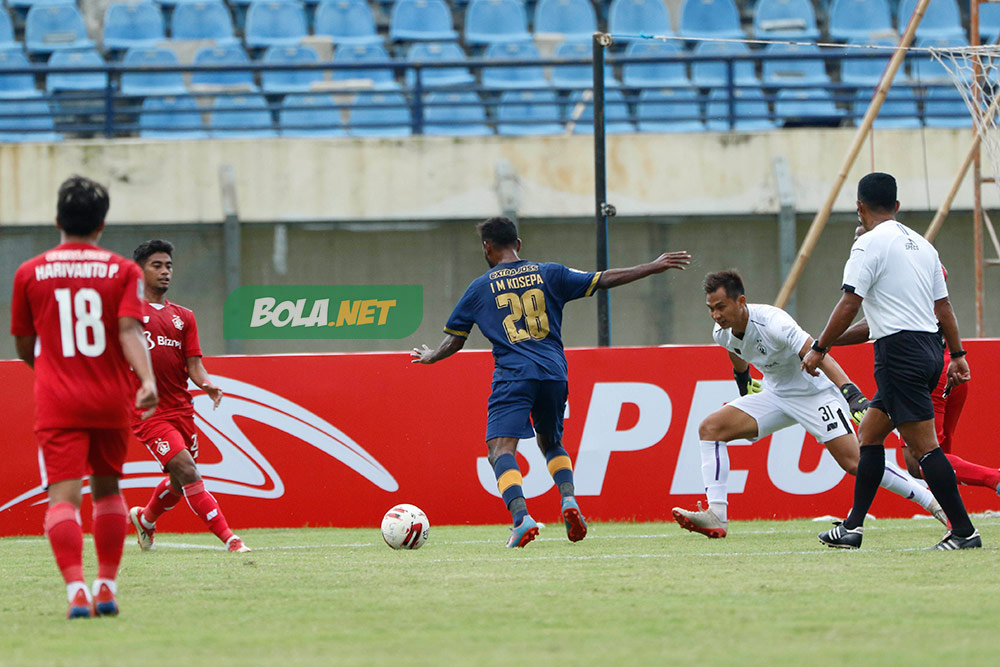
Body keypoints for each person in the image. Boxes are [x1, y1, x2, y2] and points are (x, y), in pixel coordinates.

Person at [411, 216, 691, 548]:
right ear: (519, 244)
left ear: (487, 247)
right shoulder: (550, 272)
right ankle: (569, 500)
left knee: (500, 450)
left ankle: (521, 519)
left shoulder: (479, 288)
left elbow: (454, 340)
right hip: (554, 374)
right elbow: (602, 279)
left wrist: (432, 356)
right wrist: (653, 266)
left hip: (513, 375)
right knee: (551, 442)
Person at [671, 270, 944, 539]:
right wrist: (742, 379)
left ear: (741, 302)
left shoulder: (774, 323)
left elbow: (819, 354)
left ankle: (932, 501)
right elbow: (736, 351)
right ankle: (717, 515)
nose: (716, 315)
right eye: (711, 309)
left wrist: (850, 393)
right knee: (710, 429)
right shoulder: (721, 331)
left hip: (815, 394)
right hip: (777, 395)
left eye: (721, 307)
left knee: (854, 462)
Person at [802, 172, 978, 550]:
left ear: (859, 207)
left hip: (899, 355)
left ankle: (964, 531)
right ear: (896, 206)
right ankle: (853, 527)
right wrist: (958, 355)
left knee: (924, 450)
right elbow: (942, 307)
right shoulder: (923, 245)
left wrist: (818, 347)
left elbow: (850, 303)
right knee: (870, 436)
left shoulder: (867, 246)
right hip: (929, 350)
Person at [10, 176, 158, 618]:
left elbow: (23, 342)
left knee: (63, 499)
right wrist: (146, 379)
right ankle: (107, 586)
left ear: (58, 220)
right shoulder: (123, 271)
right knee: (109, 490)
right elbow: (130, 329)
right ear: (101, 225)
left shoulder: (30, 272)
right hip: (112, 398)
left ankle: (76, 589)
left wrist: (54, 371)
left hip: (58, 401)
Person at [832, 226, 1000, 496]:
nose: (857, 241)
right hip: (943, 364)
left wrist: (826, 341)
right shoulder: (914, 256)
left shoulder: (889, 263)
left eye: (861, 234)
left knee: (919, 459)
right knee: (932, 459)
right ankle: (956, 527)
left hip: (922, 371)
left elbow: (869, 325)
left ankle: (994, 480)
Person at [127, 240, 250, 554]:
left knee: (180, 482)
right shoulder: (126, 316)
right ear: (139, 271)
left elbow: (194, 365)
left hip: (183, 410)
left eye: (168, 265)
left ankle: (145, 518)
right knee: (188, 470)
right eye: (157, 265)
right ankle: (231, 540)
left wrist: (207, 384)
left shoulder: (184, 317)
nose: (165, 271)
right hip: (149, 415)